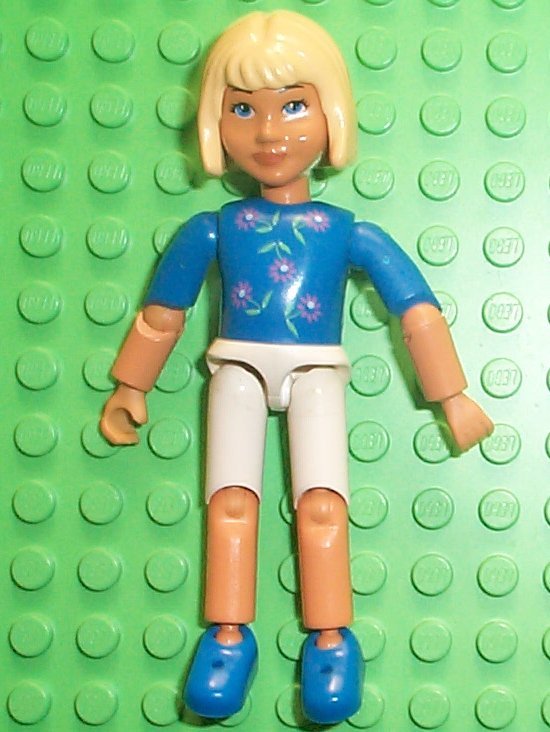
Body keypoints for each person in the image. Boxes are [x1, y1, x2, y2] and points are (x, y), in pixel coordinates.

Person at [100, 10, 493, 725]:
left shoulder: (345, 232)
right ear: (215, 122)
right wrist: (132, 384)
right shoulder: (216, 228)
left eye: (292, 106)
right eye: (242, 109)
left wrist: (452, 396)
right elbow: (164, 313)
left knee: (322, 505)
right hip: (238, 370)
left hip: (315, 373)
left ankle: (331, 637)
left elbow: (417, 311)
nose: (268, 131)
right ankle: (227, 635)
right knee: (230, 503)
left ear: (331, 113)